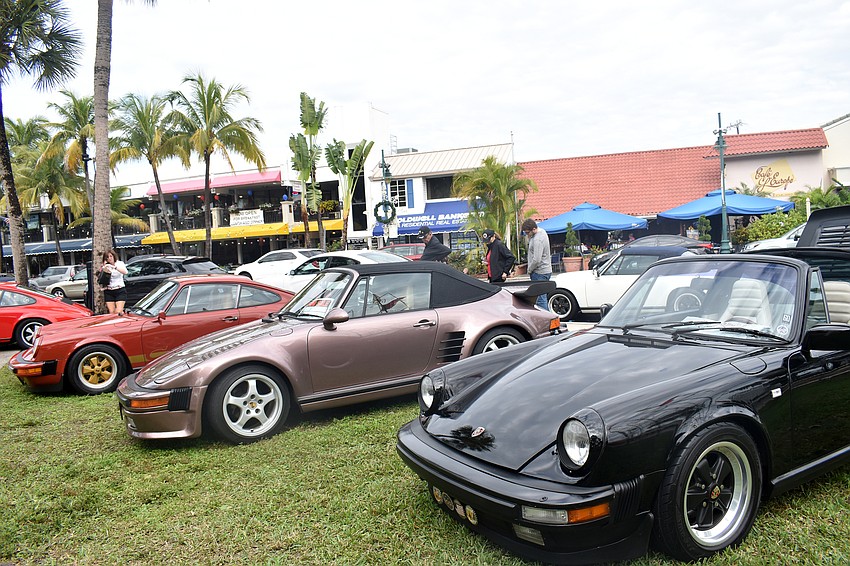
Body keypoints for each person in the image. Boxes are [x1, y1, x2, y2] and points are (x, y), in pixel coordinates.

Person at [521, 218, 552, 309]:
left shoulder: (537, 240)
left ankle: (546, 321)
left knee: (540, 300)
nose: (527, 235)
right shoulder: (542, 231)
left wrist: (529, 270)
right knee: (542, 298)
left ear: (534, 229)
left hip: (539, 272)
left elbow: (537, 260)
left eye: (527, 233)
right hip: (545, 270)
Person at [101, 249, 128, 314]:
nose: (109, 258)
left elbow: (125, 272)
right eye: (107, 257)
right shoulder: (106, 266)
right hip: (109, 290)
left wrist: (114, 267)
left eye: (111, 256)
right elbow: (103, 279)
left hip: (119, 289)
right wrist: (104, 268)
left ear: (114, 256)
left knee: (118, 311)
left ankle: (122, 316)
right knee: (112, 312)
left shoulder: (119, 263)